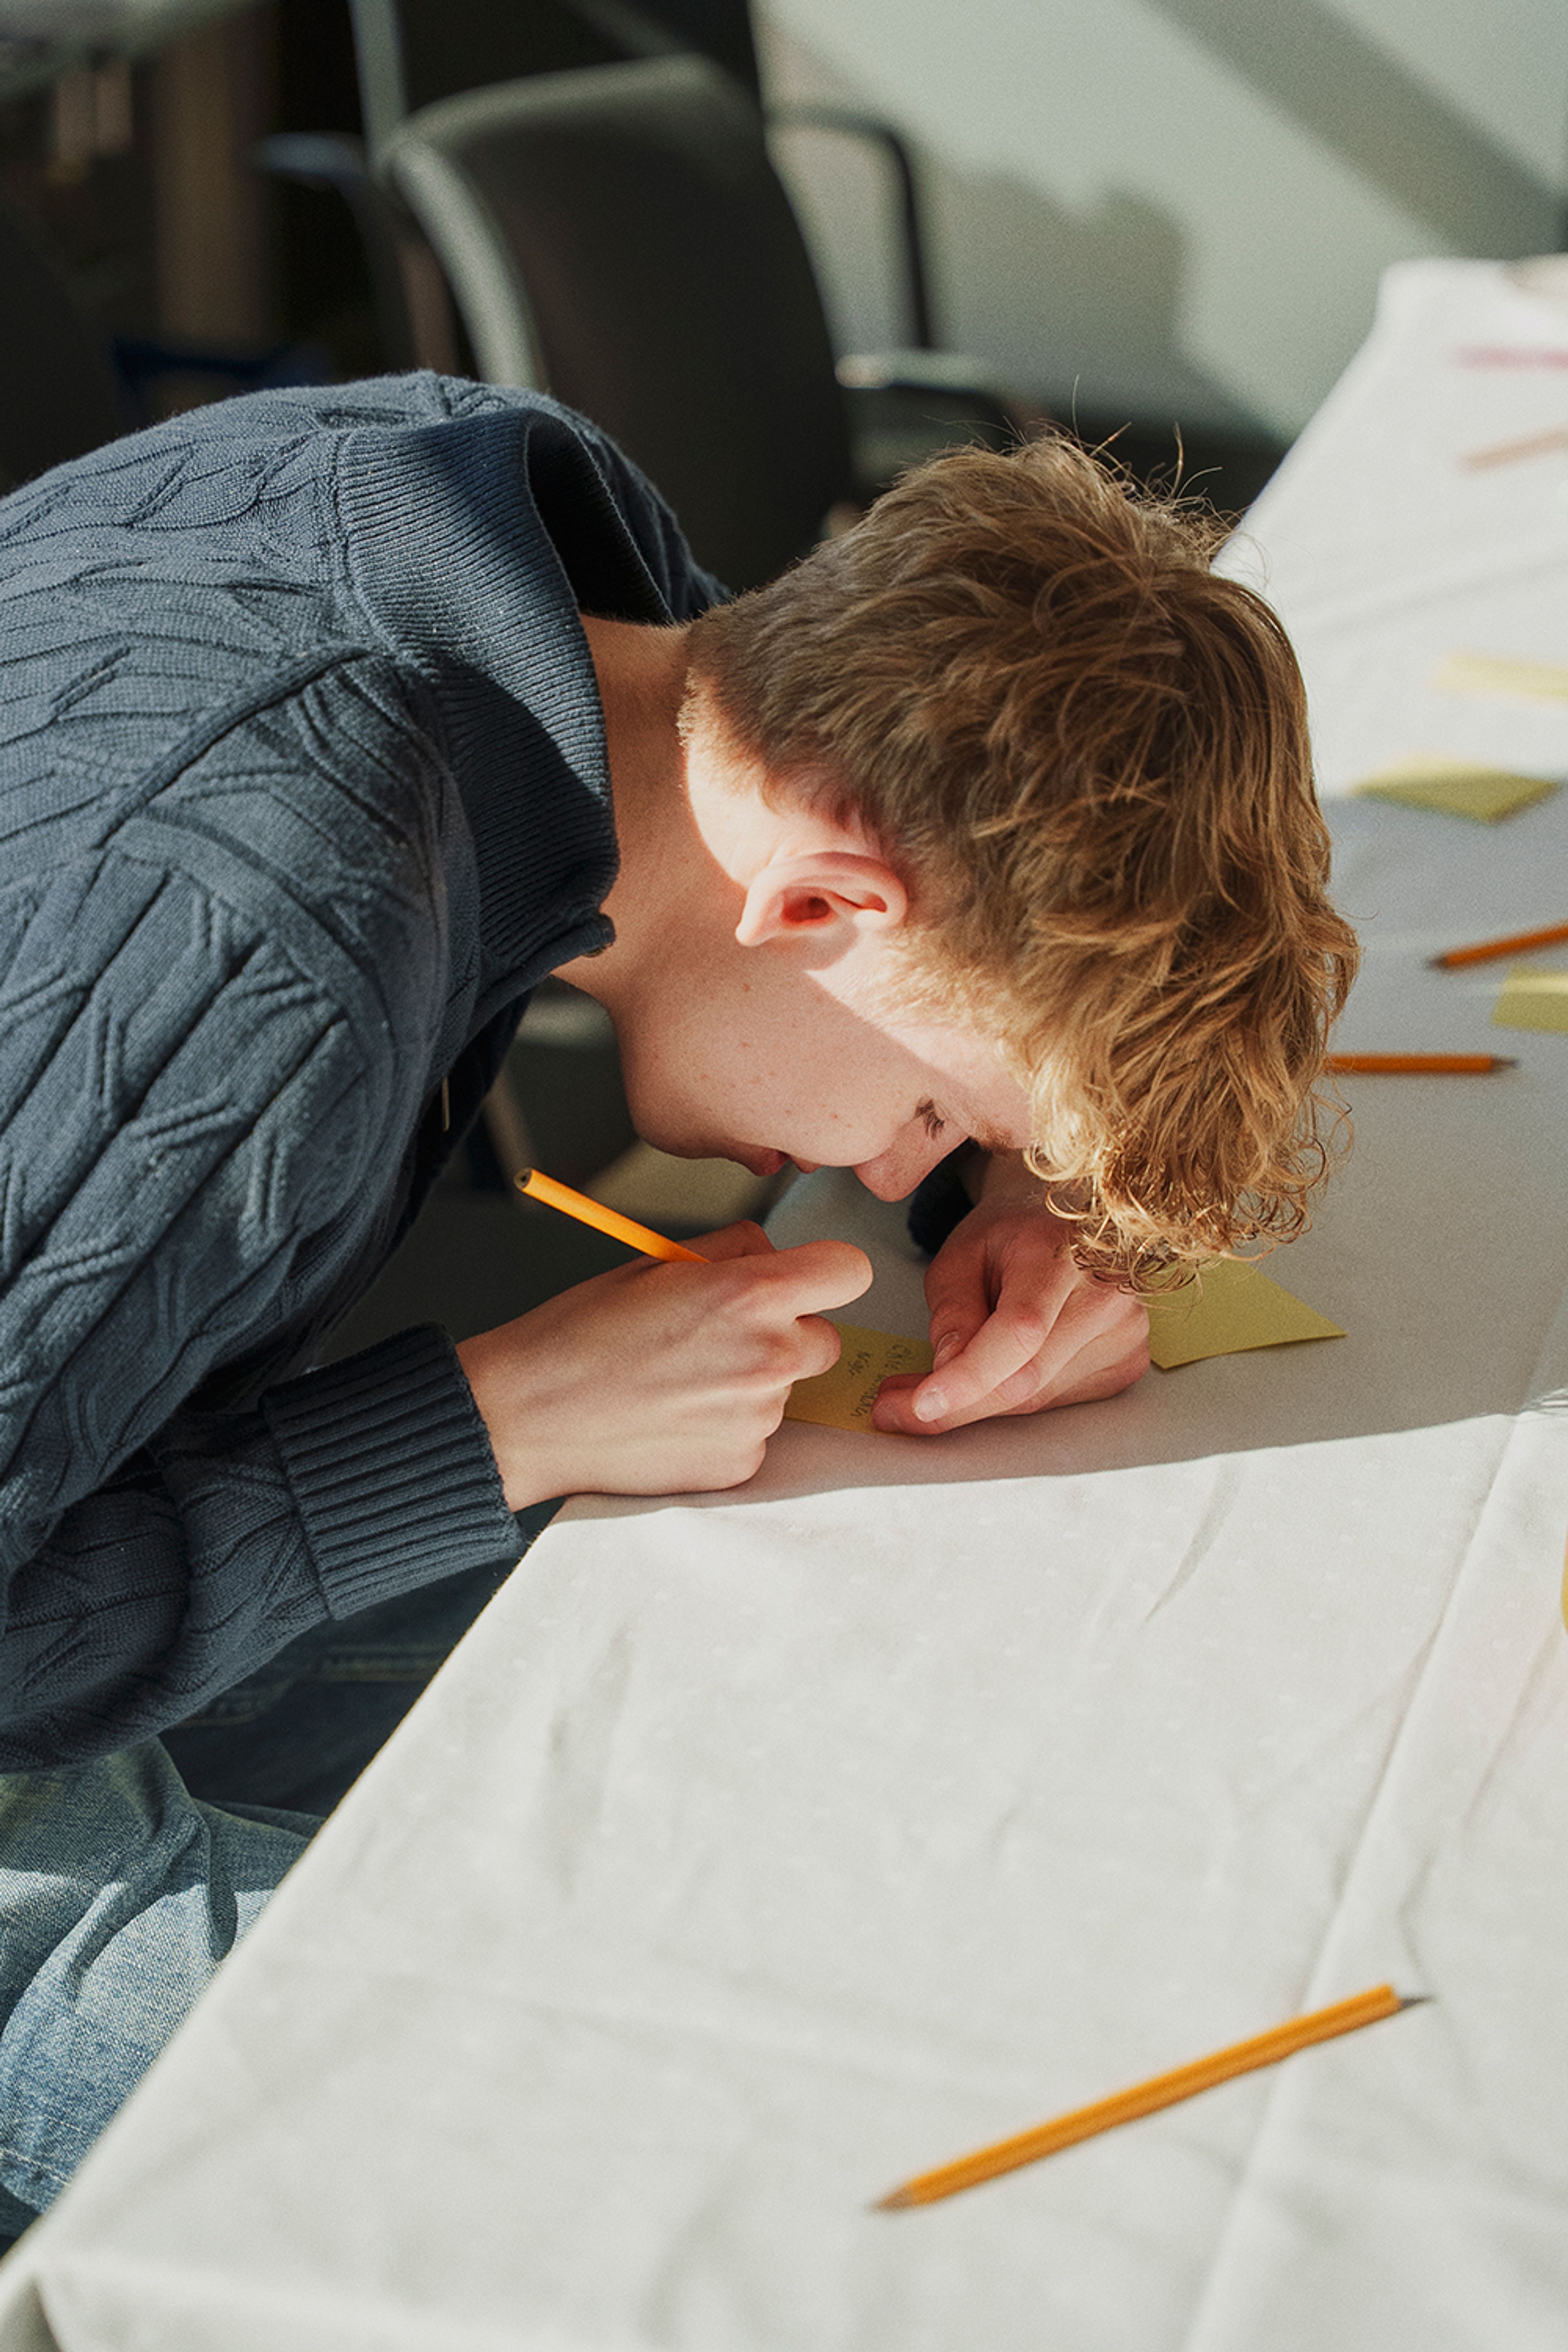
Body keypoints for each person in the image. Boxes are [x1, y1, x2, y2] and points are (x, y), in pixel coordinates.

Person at [0, 374, 1356, 2233]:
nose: (903, 1162)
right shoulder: (262, 941)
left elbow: (938, 914)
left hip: (67, 1445)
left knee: (791, 1721)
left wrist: (1032, 1180)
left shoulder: (598, 611)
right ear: (820, 908)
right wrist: (497, 1422)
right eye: (935, 1116)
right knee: (673, 2140)